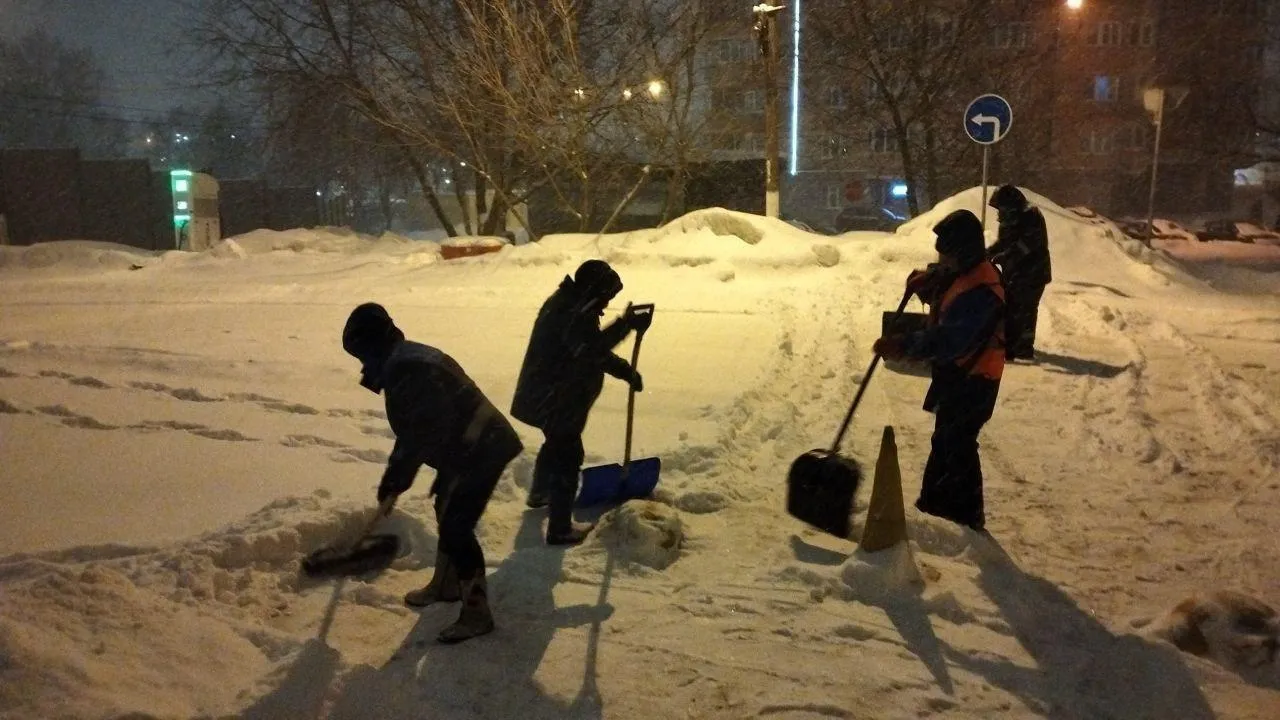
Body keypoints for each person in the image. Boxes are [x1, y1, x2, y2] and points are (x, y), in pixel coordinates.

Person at [342, 302, 523, 644]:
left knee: (457, 525)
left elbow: (420, 431)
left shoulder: (407, 368)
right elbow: (425, 427)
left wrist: (395, 480)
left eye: (361, 354)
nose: (362, 363)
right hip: (468, 443)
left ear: (372, 344)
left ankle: (476, 612)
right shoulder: (404, 359)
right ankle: (446, 585)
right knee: (446, 507)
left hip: (484, 445)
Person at [873, 209, 1006, 532]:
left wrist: (904, 344)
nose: (942, 260)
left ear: (964, 252)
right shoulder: (966, 273)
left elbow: (950, 339)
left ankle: (966, 517)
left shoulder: (981, 292)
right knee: (947, 441)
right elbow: (949, 287)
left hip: (976, 381)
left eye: (947, 255)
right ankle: (935, 507)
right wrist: (929, 282)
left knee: (957, 444)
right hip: (960, 376)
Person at [511, 259, 646, 546]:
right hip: (553, 397)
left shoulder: (573, 304)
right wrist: (624, 326)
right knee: (568, 454)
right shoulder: (570, 312)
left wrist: (625, 369)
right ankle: (560, 528)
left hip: (548, 396)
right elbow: (590, 349)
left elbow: (591, 348)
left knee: (556, 443)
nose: (606, 304)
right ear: (593, 291)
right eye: (606, 296)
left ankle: (541, 493)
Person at [986, 185, 1051, 361]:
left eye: (1001, 208)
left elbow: (1028, 244)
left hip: (1034, 272)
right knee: (1012, 307)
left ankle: (1024, 348)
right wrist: (987, 253)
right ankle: (1012, 344)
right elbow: (1003, 243)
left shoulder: (1031, 217)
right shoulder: (1008, 220)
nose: (999, 213)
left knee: (1026, 309)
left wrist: (1006, 256)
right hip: (1015, 273)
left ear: (1011, 205)